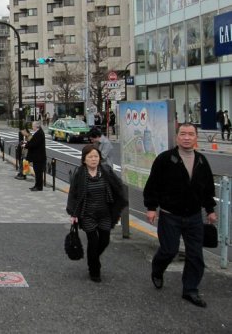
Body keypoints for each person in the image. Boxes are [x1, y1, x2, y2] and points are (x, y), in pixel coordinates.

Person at [143, 123, 217, 308]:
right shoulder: (165, 159)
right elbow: (153, 185)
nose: (186, 137)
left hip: (193, 216)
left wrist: (210, 209)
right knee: (169, 250)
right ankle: (158, 269)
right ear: (177, 137)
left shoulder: (201, 160)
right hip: (170, 215)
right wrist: (151, 207)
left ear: (196, 137)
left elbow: (208, 188)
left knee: (195, 255)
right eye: (183, 134)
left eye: (191, 134)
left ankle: (190, 289)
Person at [66, 145, 127, 282]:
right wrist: (73, 214)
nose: (93, 159)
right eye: (90, 157)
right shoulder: (80, 173)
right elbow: (73, 194)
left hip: (104, 213)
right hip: (87, 214)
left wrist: (117, 204)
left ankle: (93, 258)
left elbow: (117, 187)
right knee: (93, 242)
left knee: (104, 241)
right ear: (84, 160)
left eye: (96, 156)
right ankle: (94, 269)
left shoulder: (106, 170)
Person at [25, 122, 46, 191]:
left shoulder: (39, 133)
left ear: (36, 126)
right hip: (37, 157)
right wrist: (26, 144)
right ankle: (36, 185)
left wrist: (25, 145)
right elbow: (33, 142)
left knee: (38, 172)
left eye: (33, 126)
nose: (32, 127)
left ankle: (39, 187)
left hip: (39, 157)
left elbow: (34, 144)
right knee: (37, 172)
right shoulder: (38, 132)